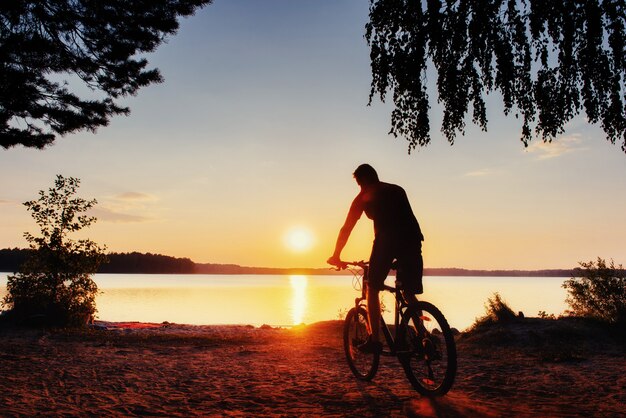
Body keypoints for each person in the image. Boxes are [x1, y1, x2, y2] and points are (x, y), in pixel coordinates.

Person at [327, 164, 424, 353]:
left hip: (387, 241)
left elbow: (346, 228)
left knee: (372, 287)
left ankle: (375, 340)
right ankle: (423, 337)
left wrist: (336, 255)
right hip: (412, 239)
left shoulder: (363, 197)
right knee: (408, 291)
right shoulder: (397, 189)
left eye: (358, 183)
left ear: (362, 180)